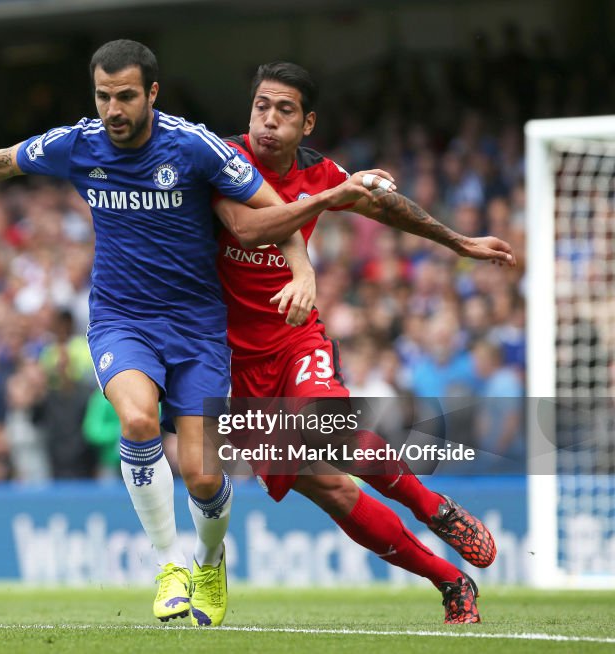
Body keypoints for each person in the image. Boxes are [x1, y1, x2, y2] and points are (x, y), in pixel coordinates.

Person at [0, 39, 393, 625]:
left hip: (196, 326)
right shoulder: (78, 144)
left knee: (203, 476)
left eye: (126, 96)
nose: (114, 109)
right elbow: (0, 162)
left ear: (152, 94)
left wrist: (304, 273)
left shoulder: (194, 147)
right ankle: (168, 566)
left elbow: (277, 214)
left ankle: (208, 560)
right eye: (104, 96)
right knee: (137, 420)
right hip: (122, 318)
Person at [213, 62, 515, 624]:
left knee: (329, 426)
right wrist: (332, 198)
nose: (268, 120)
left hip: (294, 339)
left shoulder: (320, 171)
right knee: (330, 489)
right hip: (231, 367)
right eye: (261, 106)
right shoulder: (222, 164)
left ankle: (436, 508)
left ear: (308, 123)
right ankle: (451, 581)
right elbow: (252, 228)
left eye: (284, 110)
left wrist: (459, 241)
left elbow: (385, 205)